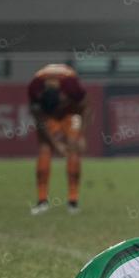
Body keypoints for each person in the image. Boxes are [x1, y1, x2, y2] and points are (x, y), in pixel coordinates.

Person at [28, 64, 89, 215]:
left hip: (71, 113)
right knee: (44, 148)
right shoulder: (34, 89)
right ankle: (42, 201)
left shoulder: (72, 86)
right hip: (48, 116)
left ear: (63, 97)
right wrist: (56, 145)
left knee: (73, 147)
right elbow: (40, 121)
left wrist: (81, 134)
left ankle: (73, 201)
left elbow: (86, 108)